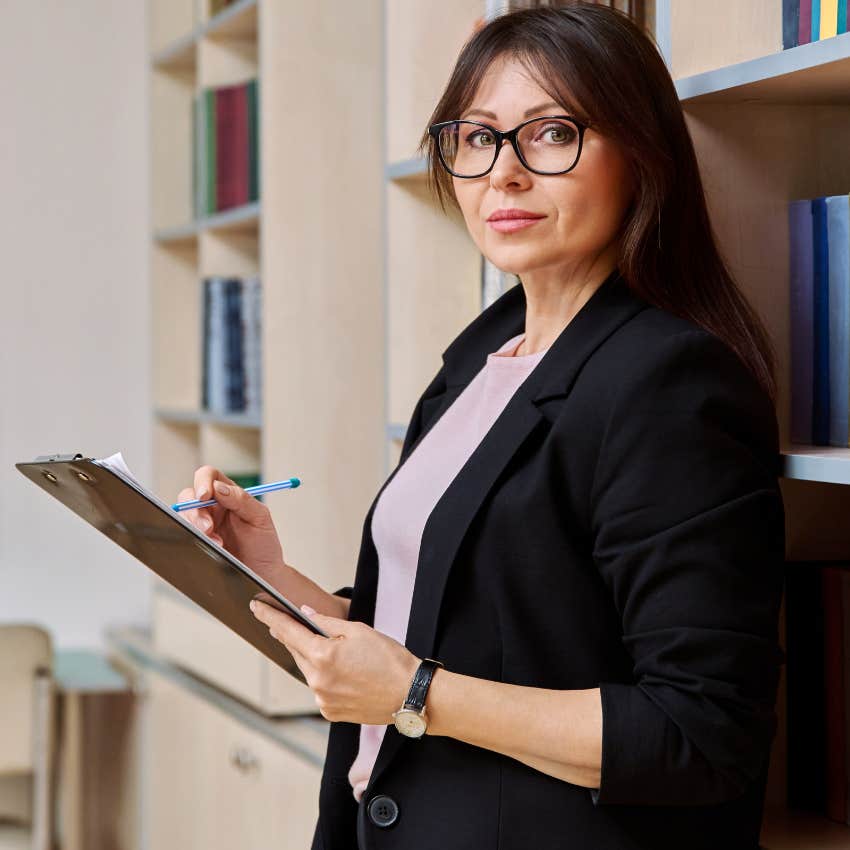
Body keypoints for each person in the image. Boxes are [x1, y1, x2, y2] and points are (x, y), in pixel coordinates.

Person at [178, 5, 786, 849]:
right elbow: (441, 633)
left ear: (641, 157)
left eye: (551, 133)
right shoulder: (480, 358)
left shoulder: (667, 385)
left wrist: (415, 694)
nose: (502, 174)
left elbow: (701, 734)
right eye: (475, 137)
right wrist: (270, 577)